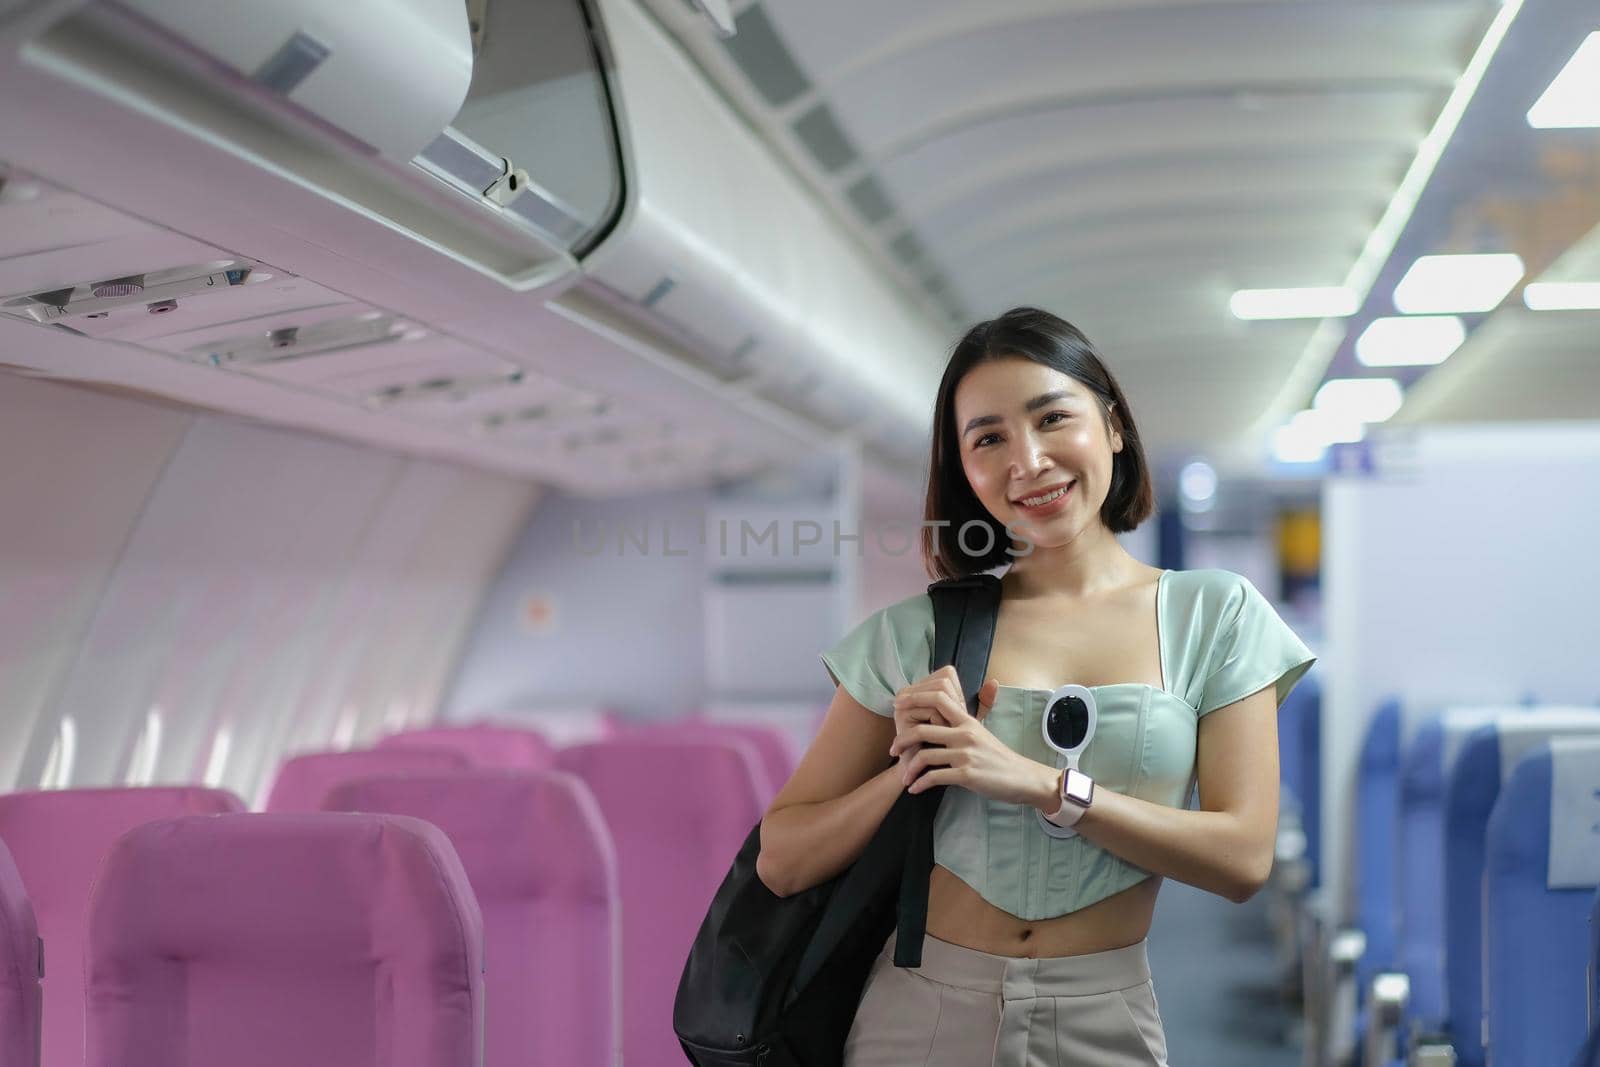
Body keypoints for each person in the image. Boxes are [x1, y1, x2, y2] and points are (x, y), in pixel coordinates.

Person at [754, 307, 1316, 1066]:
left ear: (1113, 426)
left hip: (1103, 1016)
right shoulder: (918, 632)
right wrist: (907, 773)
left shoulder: (1214, 615)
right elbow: (781, 857)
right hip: (917, 1017)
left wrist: (1043, 785)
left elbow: (1244, 856)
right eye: (989, 438)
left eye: (1053, 418)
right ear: (965, 469)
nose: (1029, 460)